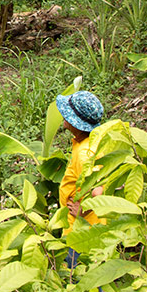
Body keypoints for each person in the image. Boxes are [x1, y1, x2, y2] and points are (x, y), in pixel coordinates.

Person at [56, 91, 105, 274]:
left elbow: (97, 191)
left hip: (80, 231)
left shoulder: (85, 154)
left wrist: (83, 210)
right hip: (88, 228)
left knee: (79, 279)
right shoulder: (90, 141)